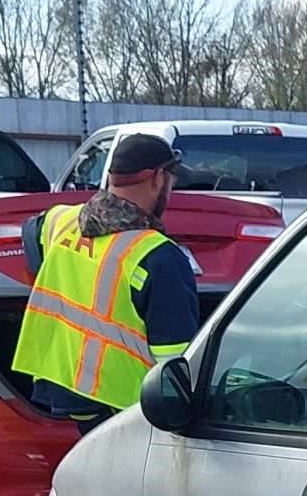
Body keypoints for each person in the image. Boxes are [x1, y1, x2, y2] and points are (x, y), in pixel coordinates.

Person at [11, 132, 200, 431]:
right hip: (127, 408)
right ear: (158, 178)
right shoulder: (158, 256)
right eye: (172, 180)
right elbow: (177, 361)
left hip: (64, 384)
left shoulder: (62, 221)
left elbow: (30, 233)